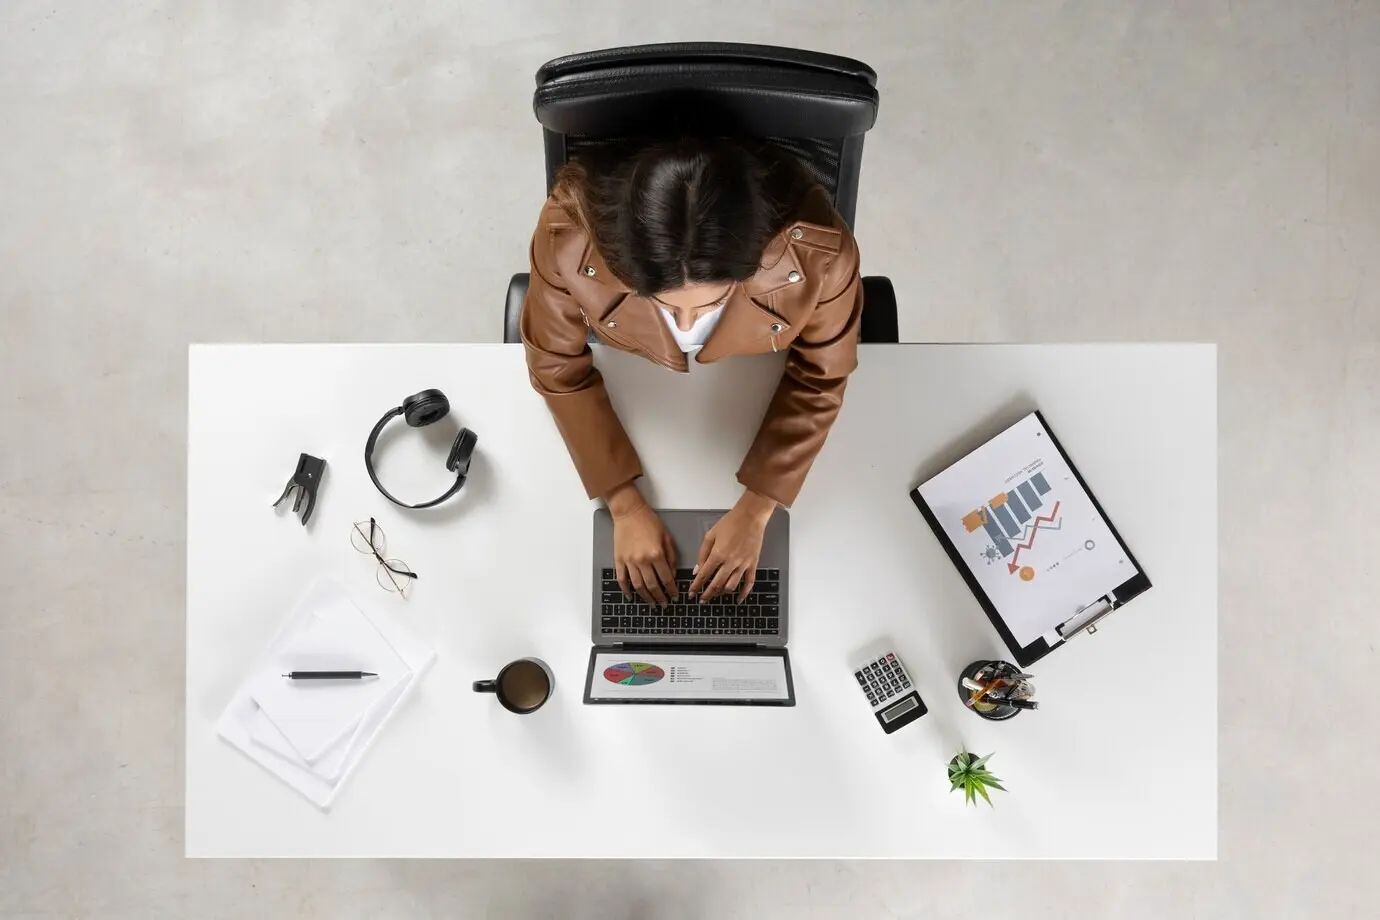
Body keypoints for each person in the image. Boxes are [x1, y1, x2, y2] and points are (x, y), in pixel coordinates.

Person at [520, 137, 863, 606]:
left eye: (711, 303)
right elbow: (556, 364)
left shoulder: (820, 253)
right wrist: (623, 504)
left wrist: (759, 507)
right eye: (662, 301)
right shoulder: (567, 232)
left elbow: (822, 375)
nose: (686, 324)